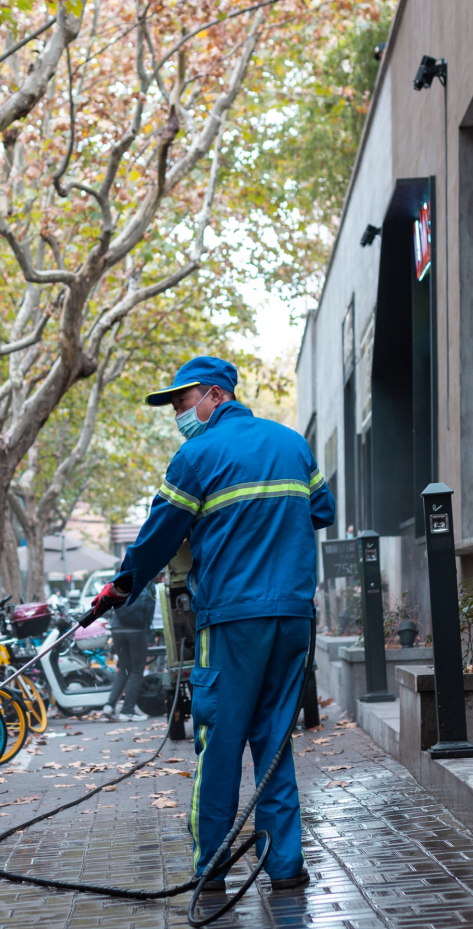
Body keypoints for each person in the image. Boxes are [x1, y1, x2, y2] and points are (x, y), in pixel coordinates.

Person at [92, 356, 335, 894]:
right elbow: (322, 510)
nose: (178, 413)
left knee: (220, 741)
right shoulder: (291, 443)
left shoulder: (196, 456)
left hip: (232, 620)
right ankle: (286, 865)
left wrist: (121, 586)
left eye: (182, 402)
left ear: (215, 395)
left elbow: (158, 537)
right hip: (293, 616)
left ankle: (212, 868)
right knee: (274, 740)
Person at [103, 577, 157, 721]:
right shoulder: (146, 581)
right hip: (136, 631)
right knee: (137, 669)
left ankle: (109, 705)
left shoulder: (121, 577)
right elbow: (149, 609)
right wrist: (148, 632)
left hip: (117, 629)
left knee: (124, 667)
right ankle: (127, 711)